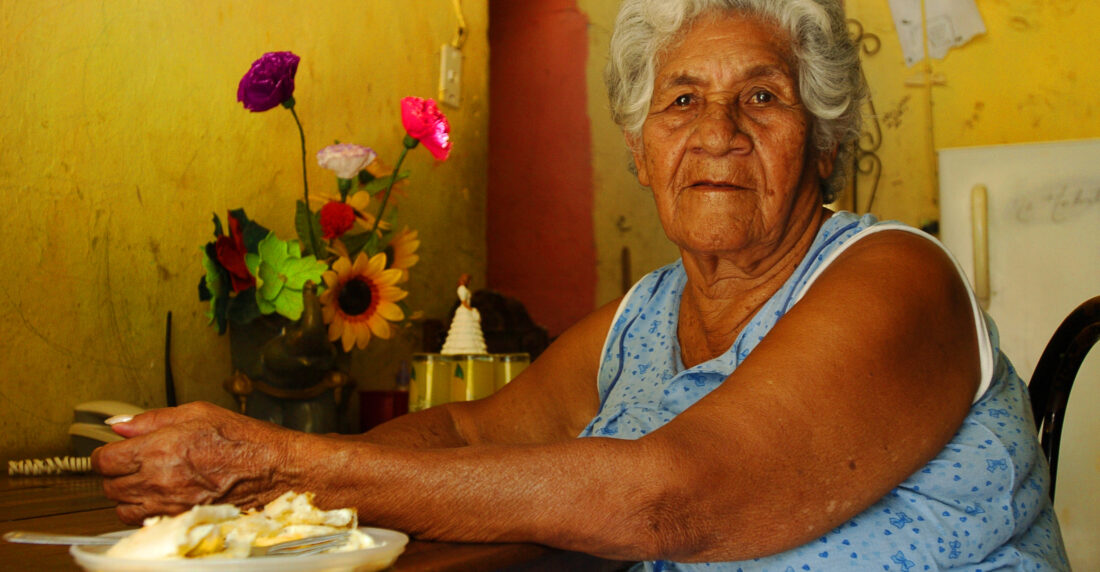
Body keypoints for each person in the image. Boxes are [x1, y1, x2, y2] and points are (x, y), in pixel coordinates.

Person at [92, 0, 1068, 569]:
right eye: (681, 100)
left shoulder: (896, 278)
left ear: (820, 146)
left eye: (762, 97)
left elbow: (675, 496)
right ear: (641, 152)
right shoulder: (641, 320)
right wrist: (276, 508)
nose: (717, 132)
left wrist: (287, 469)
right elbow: (467, 432)